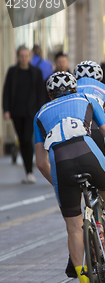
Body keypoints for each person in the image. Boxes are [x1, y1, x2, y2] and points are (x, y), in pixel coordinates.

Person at [34, 72, 105, 283]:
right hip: (88, 153)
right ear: (75, 88)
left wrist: (58, 183)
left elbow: (40, 161)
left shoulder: (40, 113)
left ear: (49, 95)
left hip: (61, 163)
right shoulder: (87, 100)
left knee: (73, 227)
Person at [2, 45, 46, 184]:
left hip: (31, 112)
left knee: (27, 139)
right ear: (18, 56)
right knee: (22, 140)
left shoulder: (36, 72)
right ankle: (28, 171)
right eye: (21, 56)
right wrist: (6, 110)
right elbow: (6, 91)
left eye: (26, 56)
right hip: (16, 112)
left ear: (29, 57)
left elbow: (40, 93)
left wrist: (41, 110)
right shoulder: (12, 71)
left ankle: (30, 171)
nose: (24, 58)